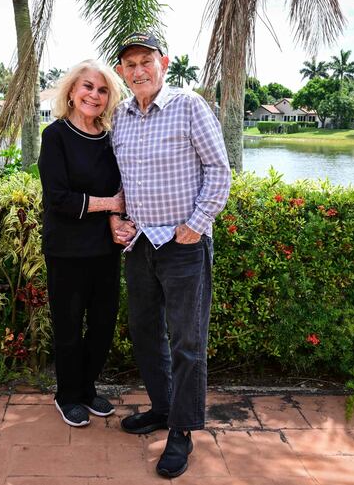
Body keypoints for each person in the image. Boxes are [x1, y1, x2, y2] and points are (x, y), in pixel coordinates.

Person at [110, 32, 231, 478]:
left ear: (164, 62)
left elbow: (219, 171)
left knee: (187, 342)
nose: (138, 70)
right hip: (139, 244)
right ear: (121, 71)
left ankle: (181, 431)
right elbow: (118, 180)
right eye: (129, 64)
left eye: (145, 61)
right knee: (145, 333)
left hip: (184, 246)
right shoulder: (120, 116)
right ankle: (162, 409)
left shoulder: (188, 106)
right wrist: (115, 219)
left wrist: (195, 226)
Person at [38, 59, 132, 427]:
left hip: (106, 249)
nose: (94, 95)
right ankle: (67, 395)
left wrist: (114, 218)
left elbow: (115, 186)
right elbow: (58, 199)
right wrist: (110, 205)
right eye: (88, 87)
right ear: (72, 92)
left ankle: (88, 388)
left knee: (103, 324)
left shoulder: (110, 137)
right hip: (66, 250)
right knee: (68, 324)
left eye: (103, 89)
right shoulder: (55, 135)